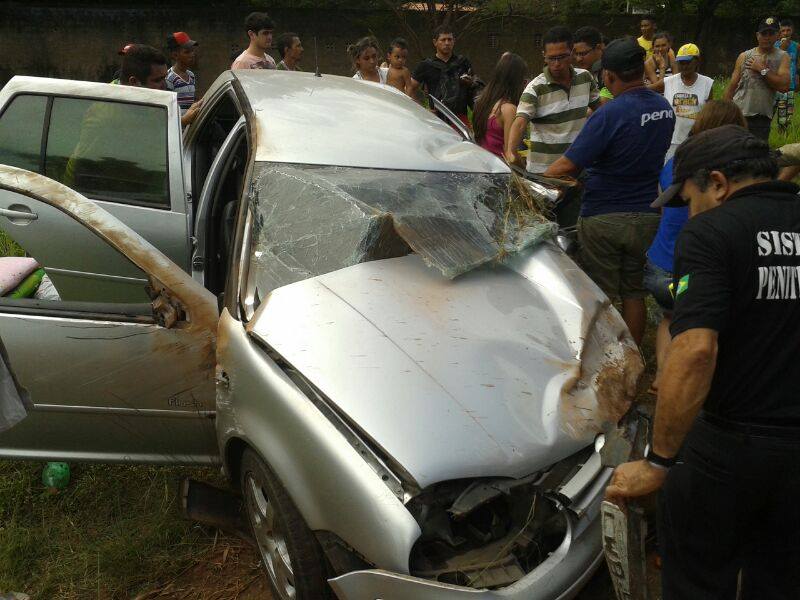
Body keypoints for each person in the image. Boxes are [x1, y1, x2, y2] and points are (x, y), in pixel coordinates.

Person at [606, 124, 800, 599]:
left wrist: (659, 461)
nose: (688, 211)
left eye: (688, 197)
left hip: (730, 448)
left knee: (697, 578)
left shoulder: (712, 232)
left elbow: (695, 351)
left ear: (717, 183)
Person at [543, 37, 674, 346]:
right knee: (634, 292)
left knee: (599, 294)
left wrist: (534, 178)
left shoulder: (610, 114)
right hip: (647, 214)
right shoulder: (664, 109)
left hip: (604, 217)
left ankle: (603, 362)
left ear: (609, 76)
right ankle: (633, 355)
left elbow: (566, 167)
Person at [643, 100, 745, 392]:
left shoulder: (676, 162)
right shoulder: (732, 172)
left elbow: (664, 209)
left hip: (661, 262)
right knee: (703, 330)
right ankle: (689, 385)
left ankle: (663, 376)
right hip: (697, 269)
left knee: (669, 319)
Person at [505, 26, 600, 174]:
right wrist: (511, 152)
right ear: (544, 56)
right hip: (544, 174)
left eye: (562, 57)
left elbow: (599, 111)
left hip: (578, 169)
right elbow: (520, 122)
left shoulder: (585, 79)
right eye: (551, 58)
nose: (556, 64)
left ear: (572, 53)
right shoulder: (535, 88)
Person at [724, 16, 791, 141]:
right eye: (764, 33)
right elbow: (731, 87)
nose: (767, 37)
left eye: (771, 33)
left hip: (762, 117)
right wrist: (725, 114)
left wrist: (762, 70)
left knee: (757, 155)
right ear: (757, 35)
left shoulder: (782, 57)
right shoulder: (745, 56)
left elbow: (784, 86)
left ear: (777, 35)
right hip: (739, 114)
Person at [650, 43, 714, 157]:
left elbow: (710, 115)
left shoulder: (707, 84)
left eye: (688, 62)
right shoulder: (669, 82)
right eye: (681, 63)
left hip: (696, 142)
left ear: (697, 62)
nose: (684, 66)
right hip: (672, 142)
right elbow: (647, 91)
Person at [410, 25, 476, 128]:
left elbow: (474, 89)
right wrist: (422, 111)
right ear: (435, 42)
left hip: (460, 120)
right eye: (443, 40)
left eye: (450, 39)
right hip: (436, 121)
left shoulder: (463, 63)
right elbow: (410, 88)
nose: (447, 43)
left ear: (454, 41)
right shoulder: (426, 65)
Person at [473, 52, 528, 159]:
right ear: (516, 81)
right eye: (523, 80)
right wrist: (526, 169)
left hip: (482, 164)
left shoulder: (482, 102)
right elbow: (510, 155)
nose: (525, 84)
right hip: (500, 169)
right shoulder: (509, 109)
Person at [165, 32, 202, 128]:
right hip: (177, 129)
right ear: (175, 55)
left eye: (192, 51)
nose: (192, 54)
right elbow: (168, 112)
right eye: (187, 52)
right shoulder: (169, 78)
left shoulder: (191, 75)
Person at [775, 19, 799, 133]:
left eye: (788, 30)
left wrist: (798, 80)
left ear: (792, 31)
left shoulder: (796, 46)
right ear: (779, 32)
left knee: (787, 113)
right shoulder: (774, 45)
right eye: (783, 30)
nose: (785, 33)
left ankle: (783, 133)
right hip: (776, 84)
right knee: (773, 109)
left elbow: (798, 64)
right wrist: (782, 48)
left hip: (790, 84)